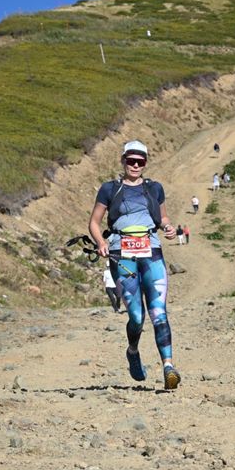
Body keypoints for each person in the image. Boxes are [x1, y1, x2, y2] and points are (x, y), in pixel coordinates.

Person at [89, 140, 181, 389]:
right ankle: (132, 351)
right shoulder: (109, 189)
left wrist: (168, 227)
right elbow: (94, 222)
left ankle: (168, 367)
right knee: (137, 316)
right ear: (123, 161)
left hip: (151, 252)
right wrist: (101, 243)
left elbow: (162, 217)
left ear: (146, 163)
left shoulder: (155, 188)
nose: (135, 165)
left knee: (158, 312)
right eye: (131, 160)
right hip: (122, 254)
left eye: (140, 161)